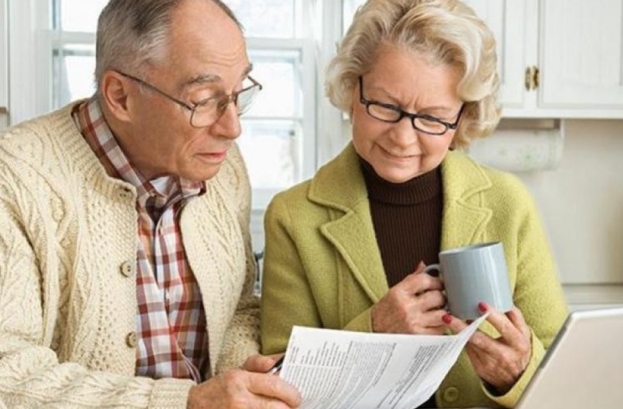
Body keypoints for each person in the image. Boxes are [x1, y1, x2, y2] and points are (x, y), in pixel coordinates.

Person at [260, 0, 568, 408]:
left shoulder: (508, 204)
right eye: (387, 107)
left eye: (433, 117)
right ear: (353, 89)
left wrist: (516, 373)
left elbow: (567, 379)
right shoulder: (293, 216)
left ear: (462, 118)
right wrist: (374, 332)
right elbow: (278, 390)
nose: (403, 139)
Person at [0, 0, 301, 408]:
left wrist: (240, 381)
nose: (233, 127)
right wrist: (188, 402)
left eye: (237, 93)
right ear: (120, 96)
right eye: (202, 100)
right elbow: (7, 375)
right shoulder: (14, 178)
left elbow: (240, 307)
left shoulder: (223, 168)